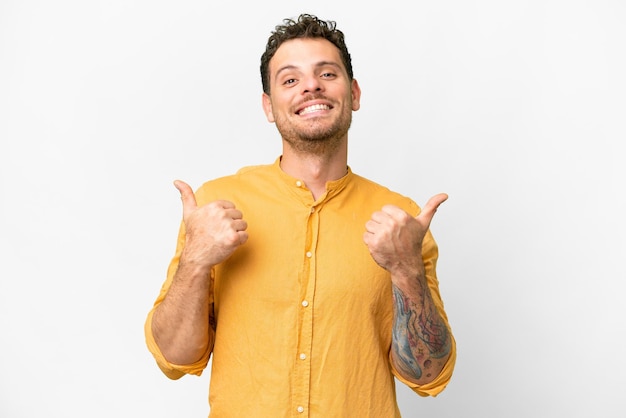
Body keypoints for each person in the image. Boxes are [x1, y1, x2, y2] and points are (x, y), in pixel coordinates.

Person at [145, 13, 456, 417]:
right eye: (290, 80)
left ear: (354, 94)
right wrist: (196, 260)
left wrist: (406, 269)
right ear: (269, 106)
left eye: (327, 73)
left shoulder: (401, 221)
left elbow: (428, 375)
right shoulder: (216, 204)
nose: (311, 85)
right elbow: (174, 357)